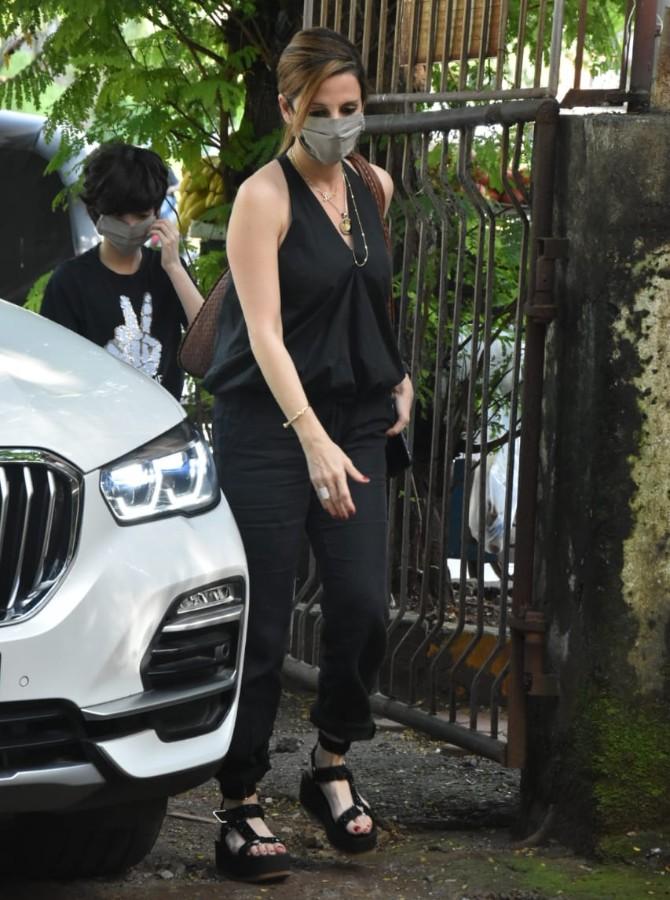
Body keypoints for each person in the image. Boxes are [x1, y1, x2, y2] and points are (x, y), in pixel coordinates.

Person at [203, 26, 413, 884]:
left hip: (357, 420)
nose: (337, 124)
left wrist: (400, 381)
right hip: (270, 425)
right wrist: (311, 436)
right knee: (263, 620)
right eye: (320, 110)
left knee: (365, 604)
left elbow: (366, 301)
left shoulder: (374, 185)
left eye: (350, 109)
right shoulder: (265, 196)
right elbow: (262, 331)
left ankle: (328, 764)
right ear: (290, 109)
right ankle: (239, 803)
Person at [41, 142, 203, 399]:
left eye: (140, 216)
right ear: (97, 213)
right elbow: (55, 371)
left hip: (164, 425)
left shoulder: (168, 270)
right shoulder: (70, 282)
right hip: (100, 426)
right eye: (118, 217)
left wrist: (174, 267)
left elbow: (209, 345)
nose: (130, 226)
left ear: (157, 212)